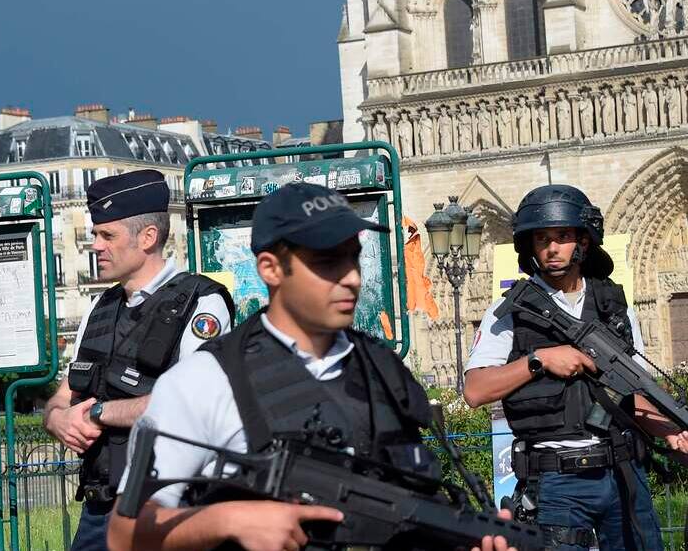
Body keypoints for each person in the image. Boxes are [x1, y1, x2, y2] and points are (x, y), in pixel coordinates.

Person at [107, 182, 519, 551]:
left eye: (353, 259)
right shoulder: (205, 380)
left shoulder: (382, 369)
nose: (351, 278)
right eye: (327, 262)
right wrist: (224, 521)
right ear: (270, 268)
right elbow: (123, 535)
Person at [463, 184, 688, 550]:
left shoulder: (614, 307)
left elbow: (632, 392)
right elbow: (475, 390)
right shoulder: (511, 312)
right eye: (542, 238)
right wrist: (539, 360)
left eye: (562, 236)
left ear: (584, 242)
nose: (551, 248)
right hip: (556, 480)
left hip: (622, 471)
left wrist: (670, 431)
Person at [43, 169, 234, 551]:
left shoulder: (200, 304)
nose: (95, 245)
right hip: (100, 509)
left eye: (107, 235)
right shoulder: (100, 307)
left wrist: (98, 414)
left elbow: (191, 405)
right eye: (96, 234)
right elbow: (64, 395)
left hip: (168, 508)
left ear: (147, 237)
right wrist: (59, 419)